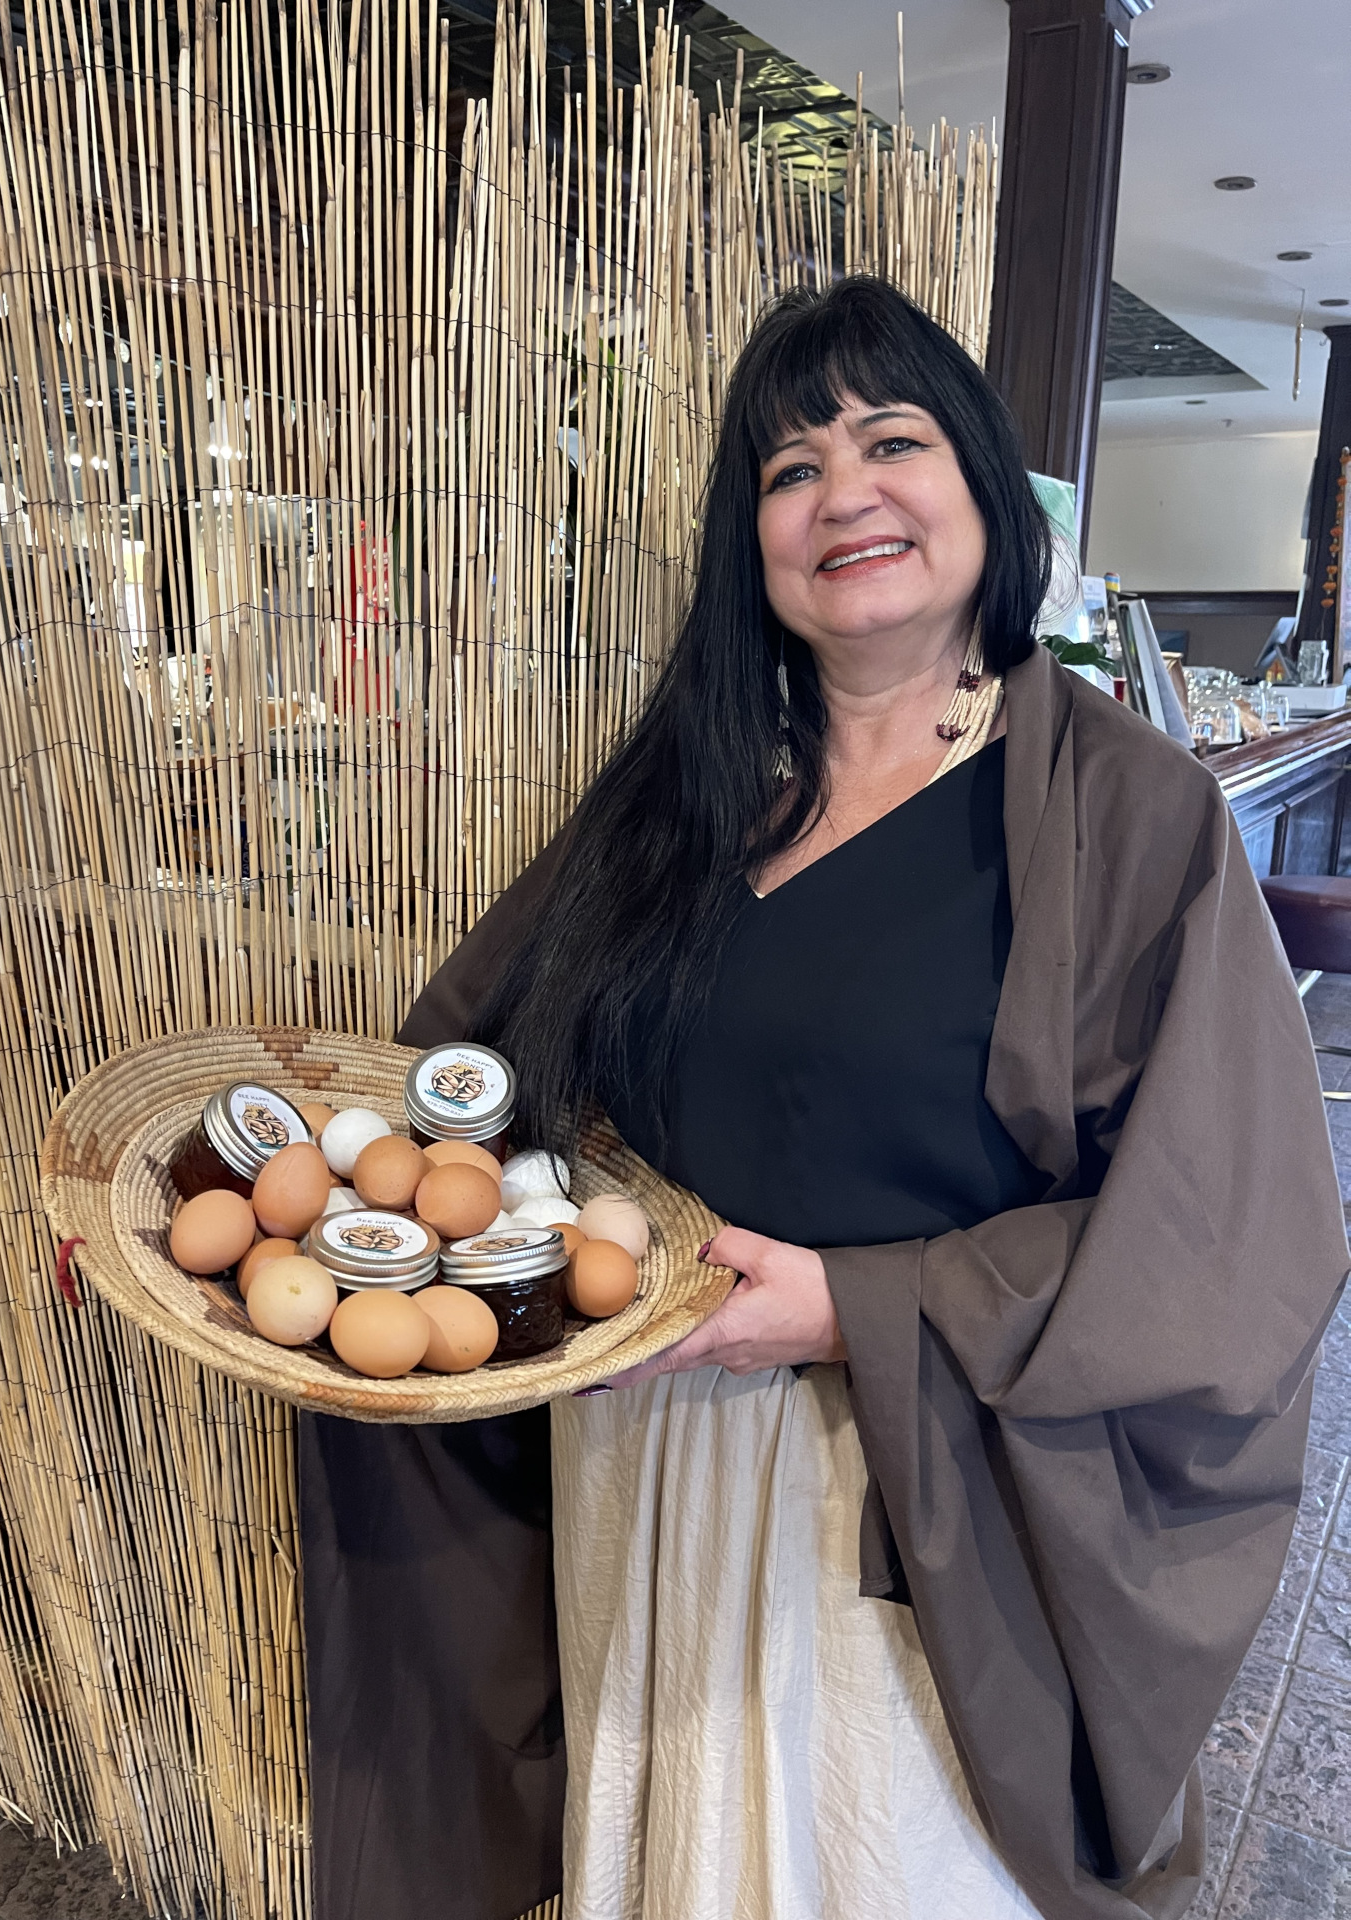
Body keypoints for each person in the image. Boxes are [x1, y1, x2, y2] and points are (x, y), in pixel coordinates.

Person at [305, 277, 1348, 1920]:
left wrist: (867, 1305)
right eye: (788, 469)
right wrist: (273, 1207)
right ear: (755, 542)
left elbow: (1235, 1247)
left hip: (908, 1512)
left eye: (891, 438)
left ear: (985, 490)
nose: (842, 491)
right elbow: (473, 1078)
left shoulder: (1124, 818)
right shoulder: (681, 788)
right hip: (638, 1462)